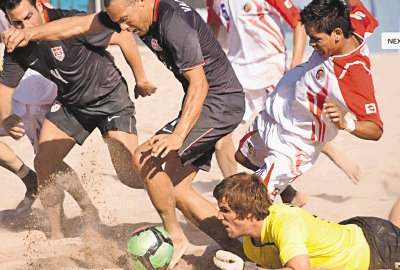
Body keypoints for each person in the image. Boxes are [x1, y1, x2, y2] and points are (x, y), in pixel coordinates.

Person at [2, 0, 247, 265]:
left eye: (126, 20)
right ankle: (240, 249)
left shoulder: (173, 23)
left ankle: (176, 238)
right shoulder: (126, 14)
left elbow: (199, 83)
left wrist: (177, 134)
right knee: (173, 189)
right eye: (118, 21)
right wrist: (28, 34)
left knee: (143, 160)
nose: (123, 28)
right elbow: (77, 25)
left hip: (218, 100)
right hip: (202, 101)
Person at [0, 0, 156, 239]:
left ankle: (174, 204)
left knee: (129, 173)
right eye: (17, 23)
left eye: (28, 17)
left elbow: (123, 37)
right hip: (72, 105)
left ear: (41, 7)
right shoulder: (17, 44)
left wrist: (141, 79)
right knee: (43, 161)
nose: (24, 26)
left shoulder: (71, 21)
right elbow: (5, 87)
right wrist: (7, 117)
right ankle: (57, 234)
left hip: (110, 98)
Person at [206, 0, 361, 205]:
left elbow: (298, 22)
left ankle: (331, 151)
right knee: (221, 140)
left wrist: (295, 63)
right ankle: (232, 196)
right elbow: (213, 25)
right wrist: (208, 62)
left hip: (271, 67)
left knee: (286, 130)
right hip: (237, 70)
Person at [213, 172, 400, 270]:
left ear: (248, 213)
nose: (219, 216)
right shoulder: (250, 245)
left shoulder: (285, 222)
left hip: (376, 244)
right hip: (345, 240)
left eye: (225, 211)